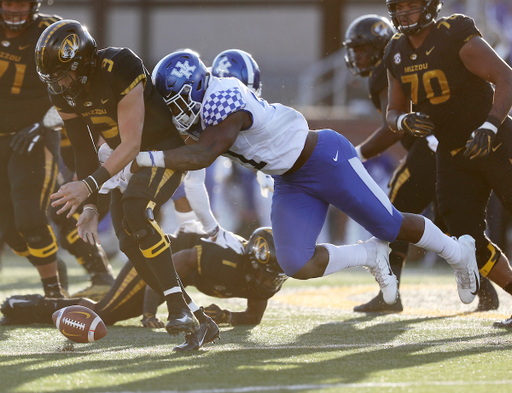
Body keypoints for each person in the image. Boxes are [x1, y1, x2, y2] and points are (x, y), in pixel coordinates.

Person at [132, 50, 480, 310]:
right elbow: (191, 167)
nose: (176, 111)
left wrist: (141, 157)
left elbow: (202, 156)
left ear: (194, 88)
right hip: (289, 179)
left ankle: (458, 252)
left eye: (178, 102)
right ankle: (370, 256)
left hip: (323, 157)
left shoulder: (225, 99)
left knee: (390, 224)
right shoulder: (200, 108)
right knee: (294, 262)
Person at [34, 19, 212, 336]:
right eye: (53, 78)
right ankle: (191, 311)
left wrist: (88, 185)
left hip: (162, 151)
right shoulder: (62, 94)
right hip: (122, 161)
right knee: (128, 240)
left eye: (62, 75)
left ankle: (178, 309)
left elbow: (132, 142)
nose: (59, 84)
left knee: (135, 210)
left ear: (82, 61)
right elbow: (84, 152)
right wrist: (90, 208)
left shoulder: (120, 64)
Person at [344, 14, 499, 313]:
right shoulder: (398, 62)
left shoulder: (388, 67)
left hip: (433, 149)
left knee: (393, 211)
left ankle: (390, 294)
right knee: (452, 229)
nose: (359, 56)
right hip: (441, 147)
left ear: (380, 47)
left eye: (364, 49)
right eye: (357, 50)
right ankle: (487, 291)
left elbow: (394, 127)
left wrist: (357, 154)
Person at [383, 0, 512, 327]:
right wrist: (404, 121)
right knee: (465, 240)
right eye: (398, 7)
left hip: (494, 141)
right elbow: (392, 110)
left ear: (429, 7)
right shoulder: (396, 51)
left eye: (410, 6)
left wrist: (490, 124)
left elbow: (505, 77)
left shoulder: (453, 34)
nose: (403, 14)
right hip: (454, 154)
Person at [0, 226, 286, 351]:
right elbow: (167, 269)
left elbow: (253, 317)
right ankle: (26, 306)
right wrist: (149, 311)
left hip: (172, 276)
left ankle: (30, 306)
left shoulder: (262, 281)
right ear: (251, 261)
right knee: (107, 314)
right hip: (155, 257)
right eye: (266, 274)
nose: (268, 282)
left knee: (110, 308)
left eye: (274, 276)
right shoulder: (224, 261)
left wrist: (226, 315)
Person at [0, 0, 67, 298]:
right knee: (12, 232)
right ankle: (52, 268)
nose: (14, 10)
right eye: (7, 3)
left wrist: (45, 122)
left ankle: (54, 293)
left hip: (33, 137)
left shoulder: (51, 32)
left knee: (30, 217)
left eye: (21, 3)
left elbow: (78, 85)